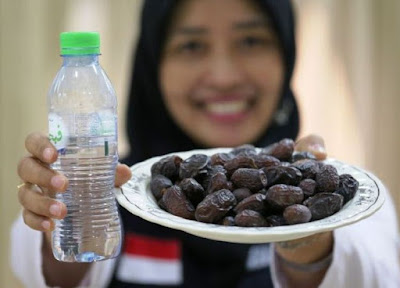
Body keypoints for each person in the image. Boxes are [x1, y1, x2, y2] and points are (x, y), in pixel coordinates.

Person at [12, 0, 400, 287]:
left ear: (285, 55)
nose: (224, 75)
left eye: (251, 40)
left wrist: (309, 242)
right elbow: (52, 277)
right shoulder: (118, 188)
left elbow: (375, 276)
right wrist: (67, 213)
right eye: (192, 46)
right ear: (153, 65)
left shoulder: (355, 207)